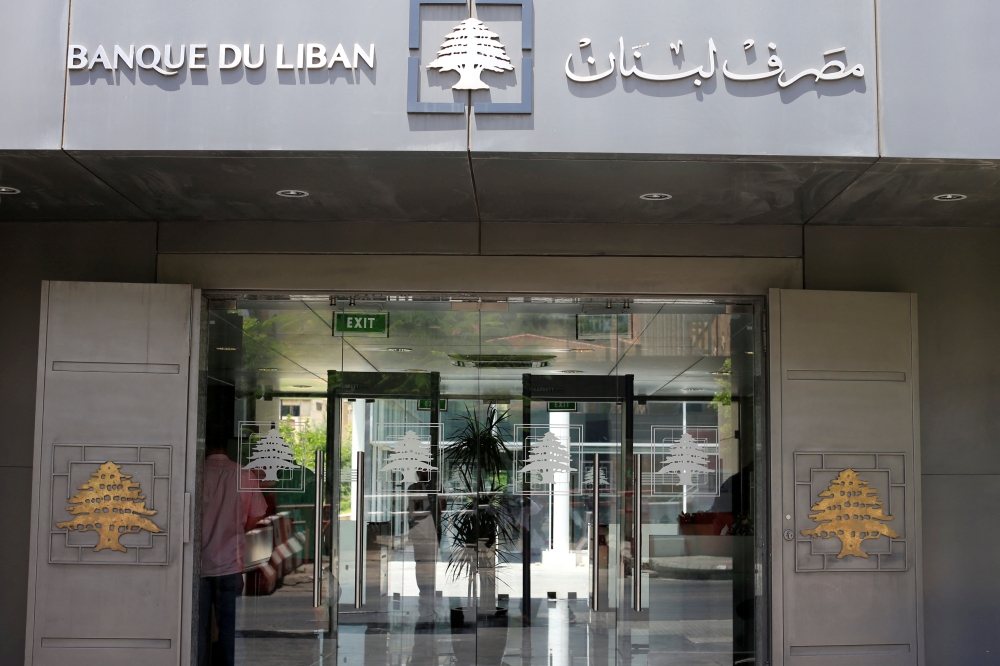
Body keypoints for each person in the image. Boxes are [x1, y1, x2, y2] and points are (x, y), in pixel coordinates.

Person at [199, 441, 267, 666]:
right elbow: (256, 516)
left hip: (194, 566)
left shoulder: (193, 472)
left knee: (195, 630)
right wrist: (238, 528)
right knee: (229, 629)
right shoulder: (244, 475)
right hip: (229, 563)